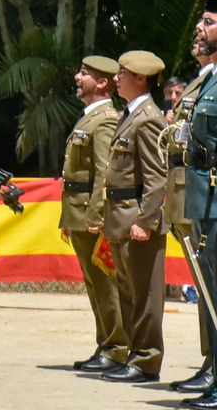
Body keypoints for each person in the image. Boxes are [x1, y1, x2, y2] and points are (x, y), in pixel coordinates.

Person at [96, 51, 168, 384]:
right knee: (128, 292)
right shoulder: (131, 114)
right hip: (120, 218)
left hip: (136, 219)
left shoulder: (148, 117)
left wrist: (146, 220)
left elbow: (156, 176)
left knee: (145, 295)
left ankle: (146, 361)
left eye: (122, 73)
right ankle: (132, 356)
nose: (116, 78)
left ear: (140, 78)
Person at [55, 55, 130, 373]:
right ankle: (106, 344)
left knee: (104, 283)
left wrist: (97, 215)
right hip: (77, 211)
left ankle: (116, 347)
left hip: (89, 213)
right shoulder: (89, 117)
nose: (77, 77)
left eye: (84, 74)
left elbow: (104, 173)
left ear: (102, 82)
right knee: (92, 282)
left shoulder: (105, 119)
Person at [180, 2, 217, 410]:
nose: (200, 26)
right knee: (212, 295)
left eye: (209, 22)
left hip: (215, 199)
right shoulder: (210, 81)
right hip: (204, 199)